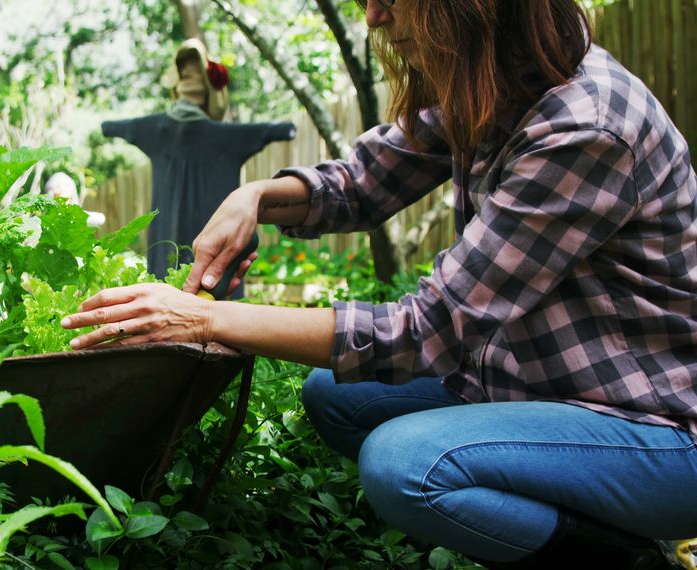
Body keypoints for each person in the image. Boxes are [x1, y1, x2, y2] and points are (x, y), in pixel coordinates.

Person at [63, 0, 697, 567]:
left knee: (406, 465)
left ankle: (624, 559)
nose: (372, 17)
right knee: (338, 395)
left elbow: (423, 333)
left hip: (655, 431)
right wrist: (253, 195)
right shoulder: (497, 84)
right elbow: (363, 182)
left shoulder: (583, 128)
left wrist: (205, 318)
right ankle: (560, 522)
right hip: (541, 383)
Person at [100, 38, 296, 298]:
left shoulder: (155, 130)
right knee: (220, 323)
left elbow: (110, 127)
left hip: (169, 267)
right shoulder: (228, 137)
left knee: (164, 315)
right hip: (217, 273)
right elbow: (283, 130)